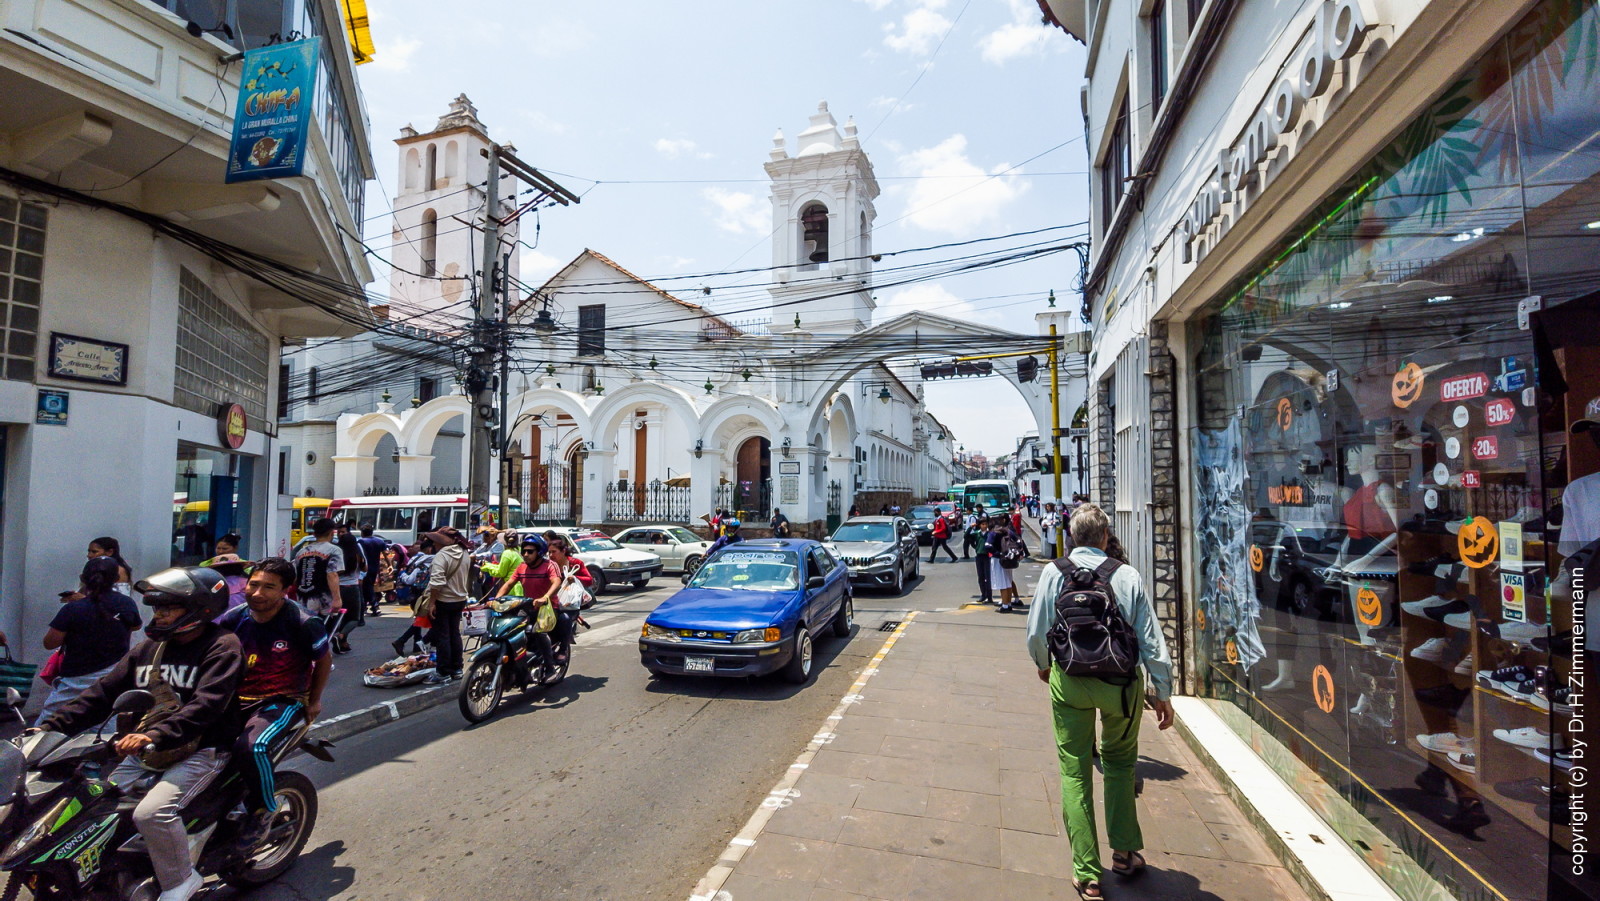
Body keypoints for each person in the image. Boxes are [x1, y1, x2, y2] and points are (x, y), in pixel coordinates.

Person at [35, 566, 243, 901]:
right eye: (157, 608)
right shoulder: (148, 649)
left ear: (199, 610)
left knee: (151, 813)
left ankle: (180, 880)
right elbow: (102, 694)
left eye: (168, 608)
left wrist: (153, 735)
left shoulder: (222, 646)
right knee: (98, 804)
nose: (159, 615)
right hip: (150, 750)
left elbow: (208, 705)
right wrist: (48, 729)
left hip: (204, 749)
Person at [1025, 503, 1174, 899]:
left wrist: (1044, 666)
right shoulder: (1125, 576)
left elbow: (1036, 632)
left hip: (1070, 681)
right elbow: (1151, 641)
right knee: (1121, 765)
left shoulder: (1053, 573)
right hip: (1120, 685)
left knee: (1074, 772)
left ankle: (1086, 872)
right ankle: (1124, 853)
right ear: (1106, 537)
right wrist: (1162, 692)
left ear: (1072, 537)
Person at [218, 557, 331, 850]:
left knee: (251, 746)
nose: (257, 593)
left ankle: (264, 809)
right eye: (253, 585)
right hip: (236, 698)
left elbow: (323, 661)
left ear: (285, 590)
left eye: (268, 587)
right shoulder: (234, 618)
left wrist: (314, 700)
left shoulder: (303, 622)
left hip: (283, 700)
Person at [34, 556, 141, 724]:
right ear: (115, 579)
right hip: (112, 682)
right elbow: (136, 626)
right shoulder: (126, 603)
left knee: (43, 735)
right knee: (107, 736)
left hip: (74, 684)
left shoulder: (73, 609)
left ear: (83, 579)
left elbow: (49, 643)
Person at [492, 535, 563, 674]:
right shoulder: (522, 567)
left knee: (539, 632)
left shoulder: (549, 565)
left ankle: (550, 668)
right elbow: (508, 584)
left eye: (530, 551)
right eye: (524, 551)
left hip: (547, 608)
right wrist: (496, 599)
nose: (526, 555)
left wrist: (545, 597)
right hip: (528, 606)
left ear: (539, 552)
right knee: (510, 627)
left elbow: (556, 582)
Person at [421, 527, 472, 683]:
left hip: (443, 601)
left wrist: (431, 603)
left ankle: (443, 671)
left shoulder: (441, 557)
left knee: (443, 636)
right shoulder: (464, 553)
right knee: (454, 634)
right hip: (459, 599)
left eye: (436, 541)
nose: (434, 544)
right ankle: (457, 668)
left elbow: (437, 583)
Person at [291, 518, 343, 634]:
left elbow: (295, 577)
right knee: (325, 632)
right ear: (331, 532)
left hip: (303, 598)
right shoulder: (334, 550)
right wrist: (337, 599)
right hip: (324, 599)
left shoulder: (301, 552)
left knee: (306, 631)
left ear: (314, 533)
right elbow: (332, 574)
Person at [331, 522, 365, 652]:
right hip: (352, 587)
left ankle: (342, 641)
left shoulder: (336, 554)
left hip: (338, 587)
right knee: (354, 618)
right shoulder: (357, 555)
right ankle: (341, 635)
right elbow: (365, 568)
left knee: (340, 616)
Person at [480, 530, 523, 599]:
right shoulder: (519, 550)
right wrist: (489, 565)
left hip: (511, 588)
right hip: (520, 587)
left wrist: (486, 568)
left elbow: (501, 573)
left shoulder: (507, 553)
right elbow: (503, 567)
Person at [987, 518, 1019, 612]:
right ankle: (1008, 603)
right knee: (1008, 581)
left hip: (998, 560)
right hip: (1009, 559)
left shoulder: (993, 533)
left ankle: (1005, 605)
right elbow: (1018, 540)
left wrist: (997, 554)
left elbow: (988, 546)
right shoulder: (1007, 531)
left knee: (1002, 583)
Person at [357, 522, 388, 616]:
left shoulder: (360, 542)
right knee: (367, 586)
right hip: (375, 568)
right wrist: (389, 565)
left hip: (364, 568)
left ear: (362, 532)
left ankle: (375, 606)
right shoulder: (380, 541)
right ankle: (364, 607)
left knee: (367, 587)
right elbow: (386, 554)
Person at [972, 516, 994, 604]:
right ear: (979, 525)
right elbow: (967, 537)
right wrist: (971, 527)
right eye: (982, 524)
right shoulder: (977, 533)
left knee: (988, 577)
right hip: (979, 556)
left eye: (986, 524)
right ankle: (983, 595)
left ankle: (989, 596)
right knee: (981, 577)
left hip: (987, 557)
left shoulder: (990, 534)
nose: (984, 526)